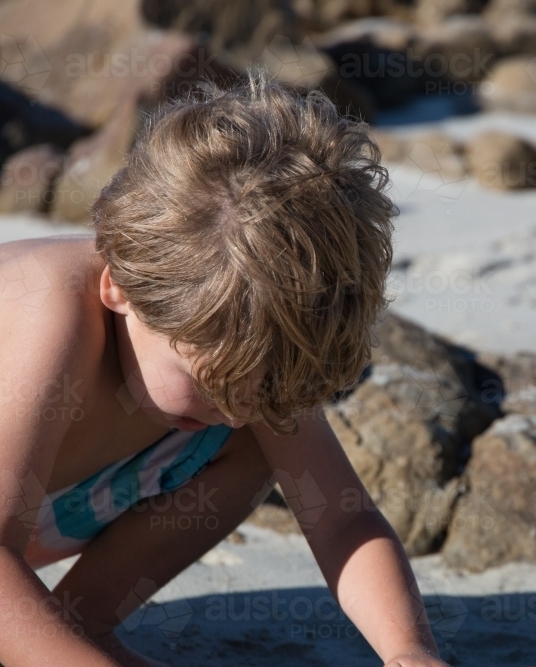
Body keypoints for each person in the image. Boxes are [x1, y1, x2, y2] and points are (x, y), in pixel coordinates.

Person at [0, 73, 449, 667]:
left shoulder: (246, 345)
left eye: (255, 388)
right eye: (215, 384)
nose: (238, 409)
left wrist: (409, 652)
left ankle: (80, 626)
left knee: (262, 441)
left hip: (31, 518)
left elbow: (343, 519)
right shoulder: (48, 315)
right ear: (119, 287)